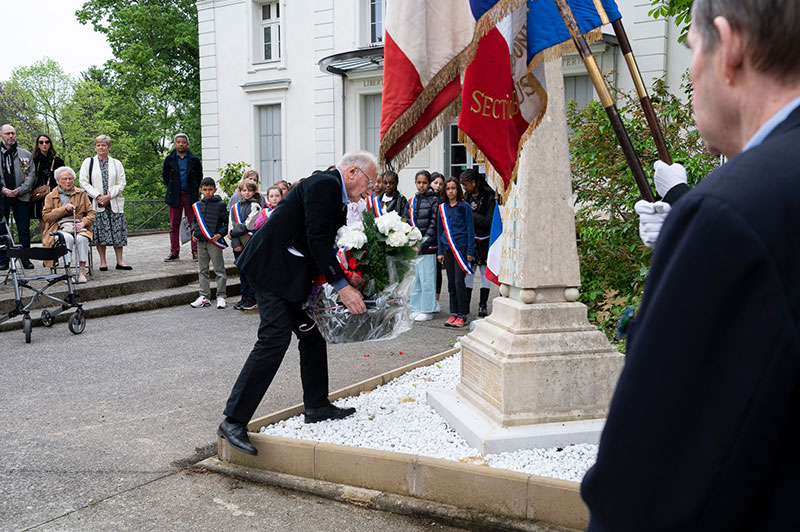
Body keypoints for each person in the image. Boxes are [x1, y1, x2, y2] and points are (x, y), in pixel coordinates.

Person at [581, 1, 800, 530]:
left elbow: (646, 483)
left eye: (693, 48)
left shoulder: (728, 217)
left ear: (730, 47)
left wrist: (693, 232)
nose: (694, 69)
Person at [217, 151, 375, 456]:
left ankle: (316, 405)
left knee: (311, 335)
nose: (371, 189)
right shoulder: (325, 185)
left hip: (289, 276)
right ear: (353, 172)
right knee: (273, 340)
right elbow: (317, 239)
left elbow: (324, 242)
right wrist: (342, 287)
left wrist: (347, 275)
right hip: (270, 270)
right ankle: (233, 421)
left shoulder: (334, 192)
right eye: (370, 181)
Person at [79, 135, 131, 271]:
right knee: (100, 233)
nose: (101, 147)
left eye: (104, 145)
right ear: (95, 147)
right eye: (98, 145)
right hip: (97, 203)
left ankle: (120, 261)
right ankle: (103, 262)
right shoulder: (88, 162)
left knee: (118, 232)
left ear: (109, 147)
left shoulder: (116, 163)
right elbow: (83, 182)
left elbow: (122, 182)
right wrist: (98, 196)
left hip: (114, 203)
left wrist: (109, 195)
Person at [41, 167, 95, 283]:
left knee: (82, 238)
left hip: (78, 226)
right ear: (58, 180)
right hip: (58, 228)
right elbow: (46, 217)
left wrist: (83, 223)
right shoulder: (50, 196)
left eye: (70, 179)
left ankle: (81, 271)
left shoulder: (81, 194)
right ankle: (68, 271)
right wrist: (63, 209)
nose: (68, 181)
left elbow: (91, 213)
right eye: (64, 179)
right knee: (67, 238)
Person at [437, 176, 474, 328]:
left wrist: (470, 250)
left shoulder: (464, 207)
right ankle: (453, 313)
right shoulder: (442, 208)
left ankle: (462, 314)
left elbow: (470, 229)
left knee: (460, 282)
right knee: (451, 282)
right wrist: (440, 251)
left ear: (458, 190)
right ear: (445, 191)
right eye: (448, 189)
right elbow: (440, 230)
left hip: (461, 248)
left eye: (453, 188)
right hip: (447, 248)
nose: (450, 191)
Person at [460, 169, 495, 317]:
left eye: (465, 184)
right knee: (469, 271)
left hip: (485, 239)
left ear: (473, 182)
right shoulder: (466, 197)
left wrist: (470, 215)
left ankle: (482, 304)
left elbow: (488, 221)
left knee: (483, 272)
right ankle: (466, 303)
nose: (464, 188)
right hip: (470, 240)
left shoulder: (489, 197)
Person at [163, 133, 203, 262]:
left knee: (194, 224)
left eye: (183, 142)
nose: (181, 144)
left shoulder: (194, 160)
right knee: (174, 225)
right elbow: (165, 177)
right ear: (175, 144)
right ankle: (174, 251)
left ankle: (195, 250)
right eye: (178, 142)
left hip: (190, 195)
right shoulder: (169, 160)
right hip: (175, 196)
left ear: (187, 144)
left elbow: (199, 177)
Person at [0, 124, 35, 270]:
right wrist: (3, 189)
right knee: (1, 228)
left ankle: (25, 258)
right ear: (1, 135)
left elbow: (31, 174)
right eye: (7, 133)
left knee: (24, 229)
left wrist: (19, 190)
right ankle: (3, 259)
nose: (11, 136)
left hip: (21, 196)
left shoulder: (25, 154)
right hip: (1, 197)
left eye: (13, 133)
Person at [190, 177, 228, 309]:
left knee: (219, 270)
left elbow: (226, 222)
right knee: (203, 269)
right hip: (201, 241)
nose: (207, 192)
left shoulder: (220, 205)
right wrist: (194, 231)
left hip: (214, 241)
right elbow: (194, 221)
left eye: (210, 190)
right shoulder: (197, 205)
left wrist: (220, 234)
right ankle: (204, 296)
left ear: (215, 190)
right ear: (201, 190)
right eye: (205, 190)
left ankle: (221, 296)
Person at [408, 170, 439, 322]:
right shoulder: (412, 200)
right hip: (414, 247)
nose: (421, 185)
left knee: (427, 279)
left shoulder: (434, 200)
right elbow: (407, 221)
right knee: (415, 280)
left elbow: (434, 224)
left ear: (429, 183)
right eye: (419, 182)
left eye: (424, 183)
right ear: (415, 183)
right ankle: (415, 307)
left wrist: (423, 244)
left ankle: (427, 309)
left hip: (428, 247)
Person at [229, 179, 262, 311]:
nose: (247, 193)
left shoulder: (256, 206)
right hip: (238, 243)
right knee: (241, 272)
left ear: (254, 191)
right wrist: (235, 241)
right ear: (240, 191)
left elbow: (249, 225)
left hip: (250, 242)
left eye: (249, 190)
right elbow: (231, 226)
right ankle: (244, 297)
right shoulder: (234, 207)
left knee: (250, 272)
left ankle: (251, 298)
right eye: (244, 190)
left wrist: (233, 232)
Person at [29, 134, 65, 224]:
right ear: (38, 145)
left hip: (54, 193)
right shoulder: (33, 160)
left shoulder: (58, 161)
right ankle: (45, 238)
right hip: (40, 194)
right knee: (43, 221)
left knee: (56, 220)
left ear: (50, 144)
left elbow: (64, 178)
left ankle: (54, 238)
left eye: (47, 142)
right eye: (41, 142)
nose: (44, 144)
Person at [430, 172, 445, 312]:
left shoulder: (443, 200)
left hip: (438, 239)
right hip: (427, 239)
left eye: (440, 184)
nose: (438, 186)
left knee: (437, 271)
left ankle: (436, 299)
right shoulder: (425, 198)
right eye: (435, 183)